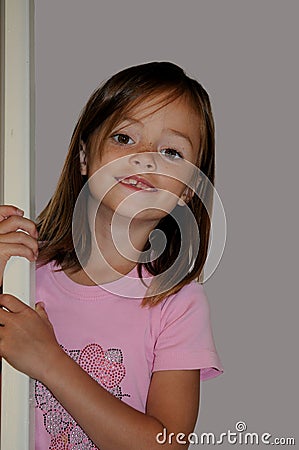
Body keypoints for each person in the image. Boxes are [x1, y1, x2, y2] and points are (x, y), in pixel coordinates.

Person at [0, 61, 223, 449]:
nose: (146, 156)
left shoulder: (177, 304)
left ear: (189, 190)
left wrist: (50, 362)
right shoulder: (21, 273)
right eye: (124, 138)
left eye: (171, 151)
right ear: (84, 157)